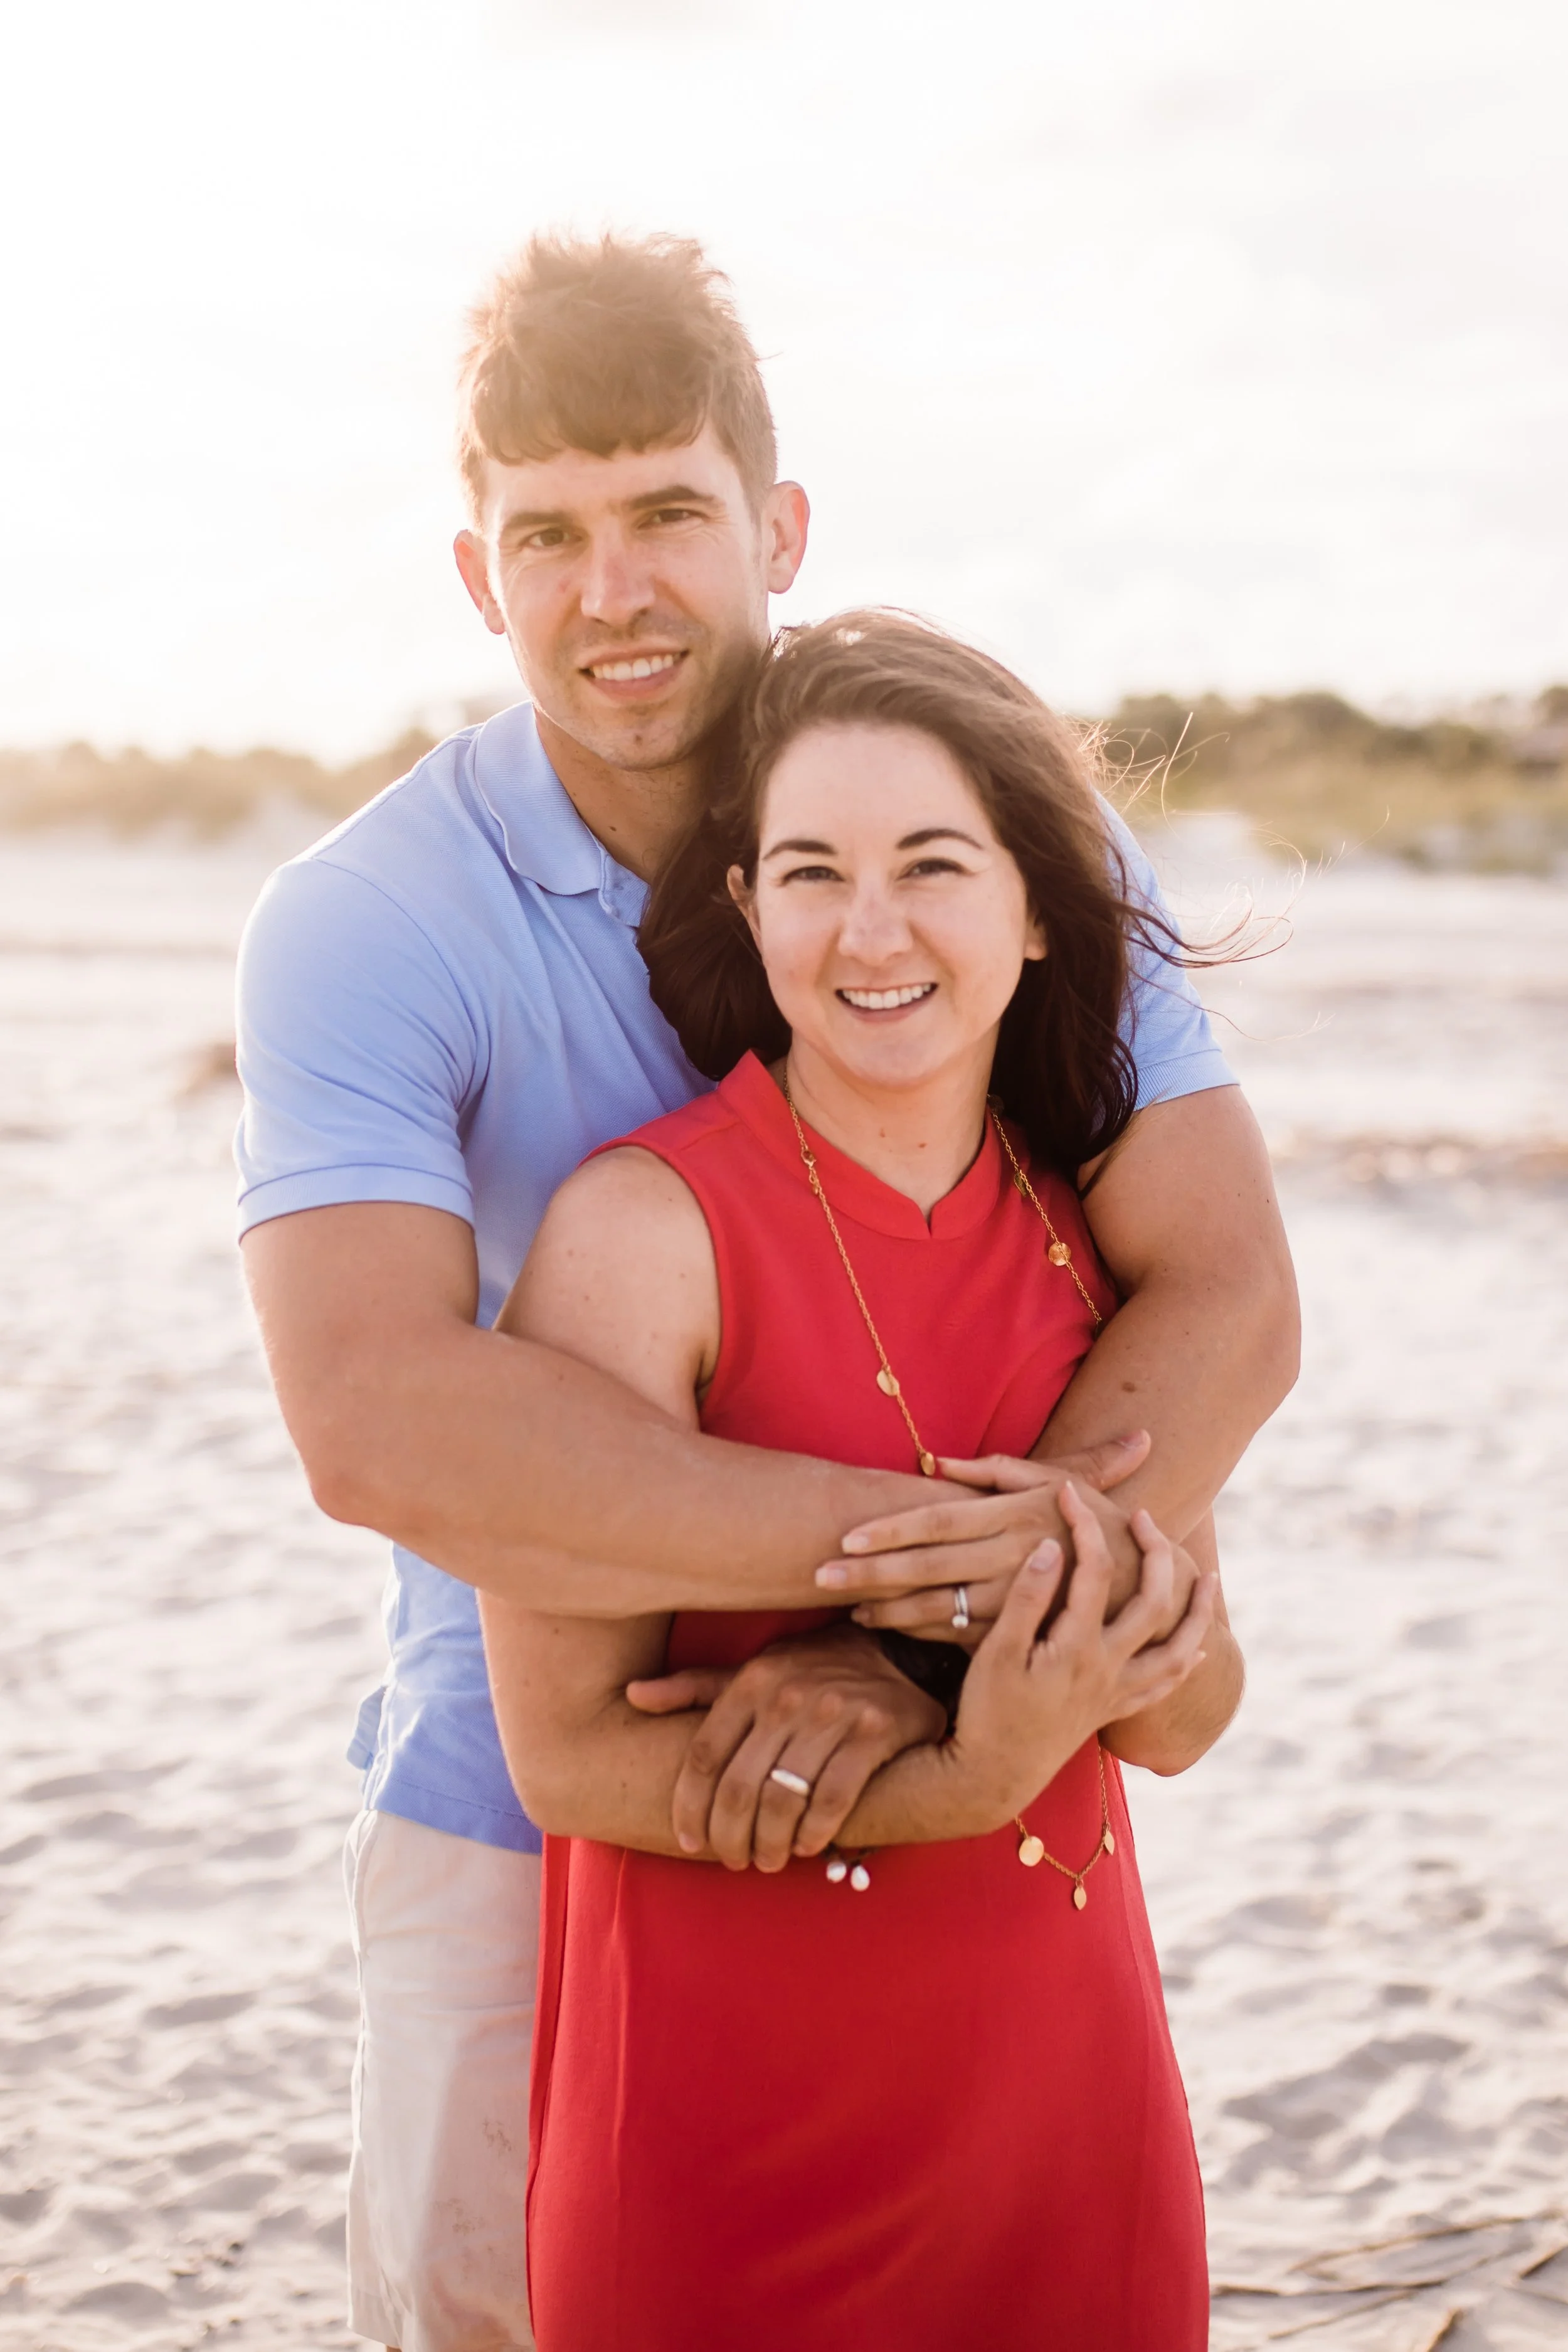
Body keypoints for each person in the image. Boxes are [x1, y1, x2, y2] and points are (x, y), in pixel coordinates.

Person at [235, 235, 1298, 2351]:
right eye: (546, 534)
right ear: (478, 574)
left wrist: (933, 1659)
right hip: (529, 1807)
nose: (609, 589)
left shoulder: (984, 826)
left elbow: (1229, 1286)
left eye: (664, 516)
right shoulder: (365, 921)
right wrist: (911, 1590)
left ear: (775, 526)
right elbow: (375, 1421)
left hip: (970, 1799)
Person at [482, 610, 1242, 2350]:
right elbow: (568, 1749)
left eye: (932, 864)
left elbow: (1187, 1718)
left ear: (1032, 906)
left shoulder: (1096, 1245)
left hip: (1064, 2116)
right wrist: (967, 1766)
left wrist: (1090, 1608)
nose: (872, 928)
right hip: (718, 2140)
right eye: (812, 870)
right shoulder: (638, 1232)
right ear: (747, 910)